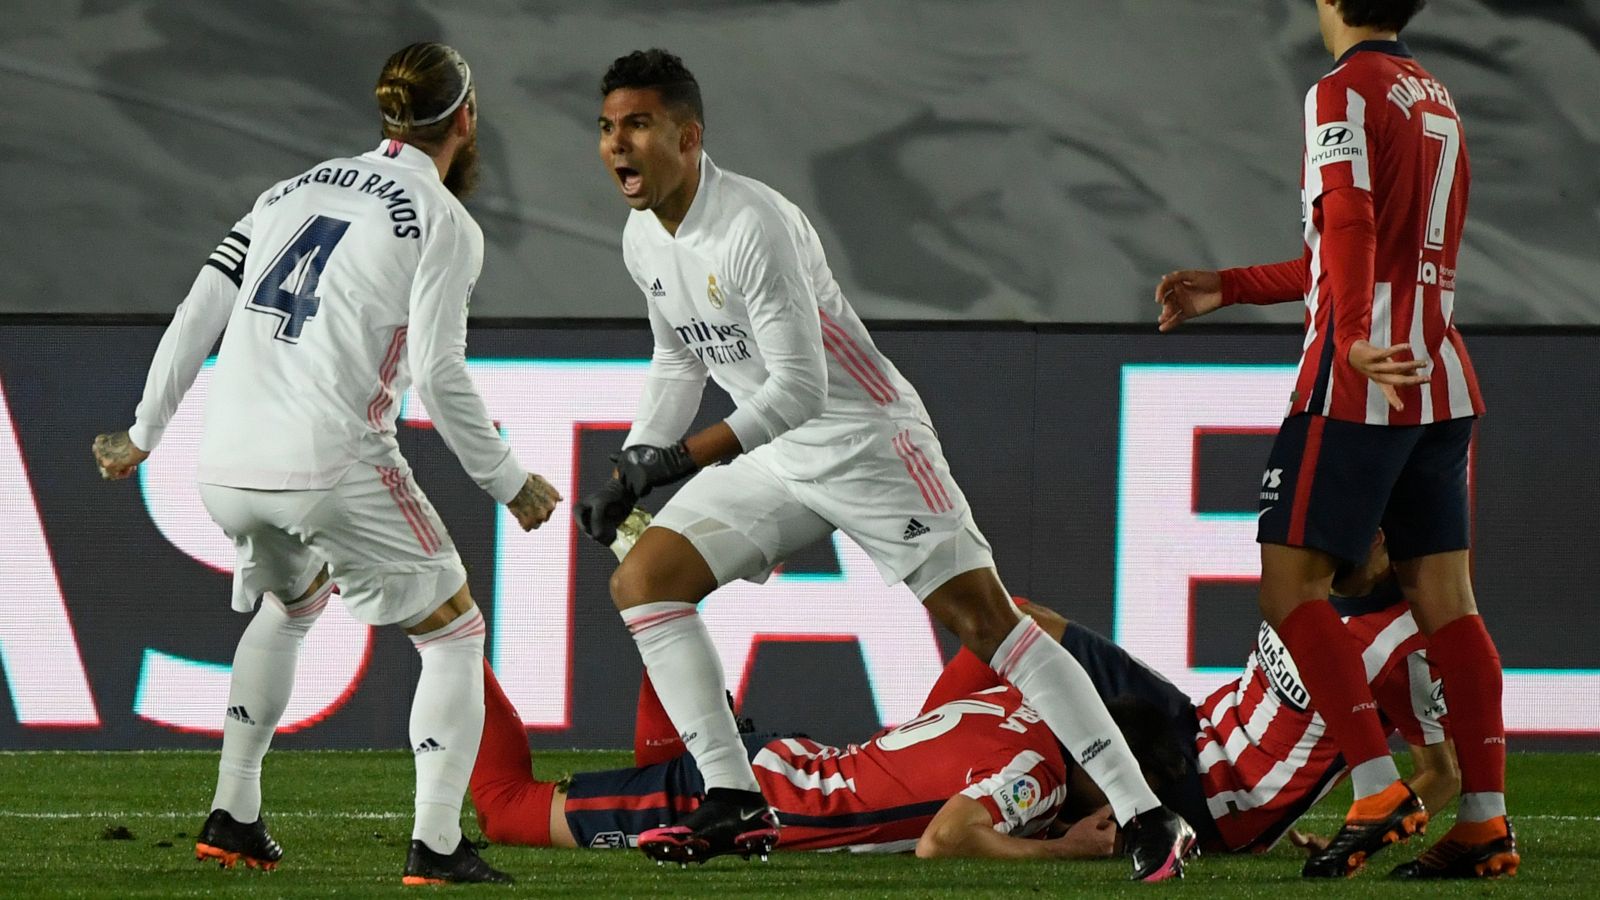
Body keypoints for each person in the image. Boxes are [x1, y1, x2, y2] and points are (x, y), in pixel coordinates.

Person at [573, 48, 1193, 880]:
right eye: (609, 128)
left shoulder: (755, 223)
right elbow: (679, 358)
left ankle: (1146, 814)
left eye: (638, 125)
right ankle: (735, 798)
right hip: (780, 458)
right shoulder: (642, 237)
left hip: (869, 442)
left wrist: (677, 460)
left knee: (988, 623)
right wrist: (633, 460)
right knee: (645, 580)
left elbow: (799, 388)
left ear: (688, 137)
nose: (618, 144)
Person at [91, 42, 561, 886]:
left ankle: (233, 813)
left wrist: (144, 432)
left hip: (224, 459)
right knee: (454, 632)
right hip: (328, 456)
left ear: (387, 114)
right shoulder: (445, 222)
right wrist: (507, 481)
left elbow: (201, 308)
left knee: (291, 602)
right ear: (465, 117)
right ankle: (437, 844)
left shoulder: (290, 189)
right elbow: (444, 372)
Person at [467, 533, 1453, 863]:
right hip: (784, 793)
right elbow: (950, 833)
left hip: (793, 765)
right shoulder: (1028, 760)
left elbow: (1009, 645)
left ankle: (465, 634)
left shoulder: (1018, 727)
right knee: (513, 807)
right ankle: (453, 639)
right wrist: (1062, 841)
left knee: (535, 801)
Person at [1153, 0, 1515, 879]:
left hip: (1358, 382)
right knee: (1449, 601)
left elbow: (1348, 222)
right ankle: (1484, 823)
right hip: (1439, 374)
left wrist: (1350, 337)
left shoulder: (1341, 91)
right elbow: (1364, 247)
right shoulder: (1435, 96)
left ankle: (1377, 786)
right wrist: (1231, 287)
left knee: (1291, 584)